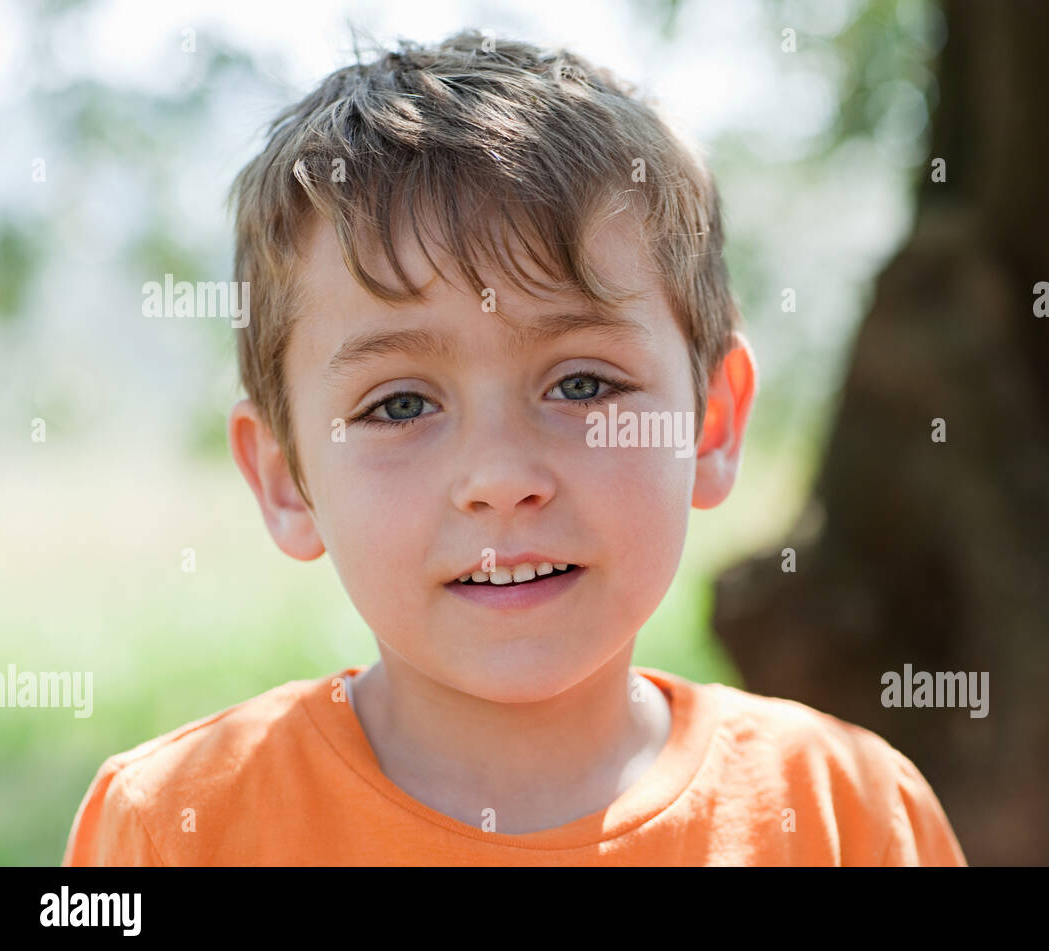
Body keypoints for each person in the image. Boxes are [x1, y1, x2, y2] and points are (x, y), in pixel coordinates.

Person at [62, 29, 966, 866]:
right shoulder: (179, 825)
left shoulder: (848, 816)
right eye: (401, 403)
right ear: (286, 479)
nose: (501, 480)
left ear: (712, 423)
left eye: (582, 385)